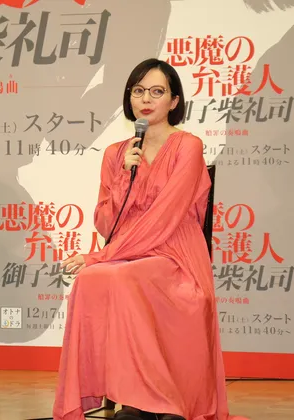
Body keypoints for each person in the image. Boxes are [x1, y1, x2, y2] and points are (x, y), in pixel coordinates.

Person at [53, 59, 248, 420]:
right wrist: (123, 177)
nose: (146, 99)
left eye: (157, 92)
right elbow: (107, 224)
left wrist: (99, 256)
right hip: (128, 249)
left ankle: (156, 401)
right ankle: (131, 397)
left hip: (175, 251)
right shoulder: (116, 153)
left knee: (121, 277)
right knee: (91, 279)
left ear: (173, 101)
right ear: (129, 98)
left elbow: (165, 217)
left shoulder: (188, 146)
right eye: (138, 91)